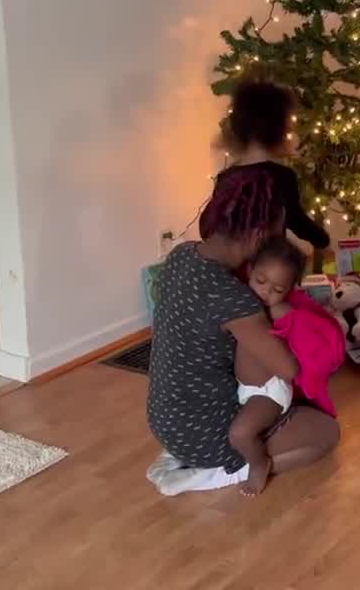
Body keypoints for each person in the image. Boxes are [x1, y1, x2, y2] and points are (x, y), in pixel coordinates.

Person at [146, 167, 339, 496]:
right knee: (326, 433)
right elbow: (288, 369)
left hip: (164, 420)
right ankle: (223, 473)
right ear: (259, 234)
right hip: (205, 435)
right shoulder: (235, 298)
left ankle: (184, 456)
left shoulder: (181, 255)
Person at [232, 236, 345, 495]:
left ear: (289, 290)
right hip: (245, 387)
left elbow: (303, 345)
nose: (266, 292)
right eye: (261, 281)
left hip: (268, 391)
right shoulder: (242, 300)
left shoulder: (279, 311)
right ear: (250, 270)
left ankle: (259, 465)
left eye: (277, 289)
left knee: (239, 433)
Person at [216, 79, 331, 253]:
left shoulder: (226, 177)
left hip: (230, 264)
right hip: (267, 264)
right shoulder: (282, 176)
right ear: (279, 130)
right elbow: (296, 220)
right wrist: (322, 240)